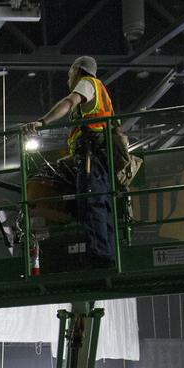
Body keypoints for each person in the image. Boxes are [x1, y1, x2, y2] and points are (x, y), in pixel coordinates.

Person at [23, 56, 115, 267]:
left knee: (91, 203)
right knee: (101, 205)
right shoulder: (101, 93)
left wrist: (42, 121)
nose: (68, 79)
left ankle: (98, 257)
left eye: (69, 74)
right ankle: (105, 254)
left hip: (92, 159)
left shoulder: (87, 83)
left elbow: (68, 102)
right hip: (97, 158)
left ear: (77, 70)